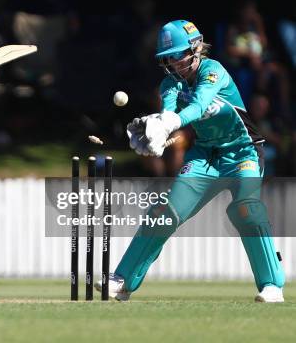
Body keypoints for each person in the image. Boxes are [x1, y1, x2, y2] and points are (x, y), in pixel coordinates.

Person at [98, 20, 285, 302]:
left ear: (196, 47)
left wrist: (170, 122)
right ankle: (123, 281)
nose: (174, 63)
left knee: (246, 209)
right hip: (204, 156)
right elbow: (170, 110)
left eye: (179, 54)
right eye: (168, 58)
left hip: (243, 152)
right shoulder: (169, 83)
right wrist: (157, 131)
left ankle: (272, 285)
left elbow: (198, 105)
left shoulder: (214, 71)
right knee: (164, 213)